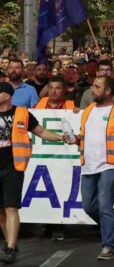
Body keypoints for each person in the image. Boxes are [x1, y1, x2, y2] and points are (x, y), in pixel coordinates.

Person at [72, 76, 114, 260]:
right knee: (88, 206)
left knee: (104, 204)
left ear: (108, 91)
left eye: (96, 87)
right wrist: (75, 139)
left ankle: (109, 246)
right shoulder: (89, 111)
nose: (92, 89)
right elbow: (86, 136)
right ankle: (112, 227)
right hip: (88, 166)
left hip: (112, 164)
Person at [0, 82, 64, 263]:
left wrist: (60, 137)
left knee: (11, 207)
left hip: (13, 167)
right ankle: (9, 242)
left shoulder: (22, 113)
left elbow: (41, 131)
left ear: (6, 96)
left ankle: (11, 247)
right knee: (1, 212)